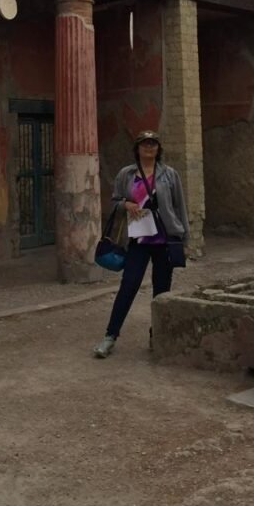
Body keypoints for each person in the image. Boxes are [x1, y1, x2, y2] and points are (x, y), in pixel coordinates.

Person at [93, 129, 189, 359]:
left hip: (164, 240)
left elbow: (179, 206)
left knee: (161, 290)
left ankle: (157, 335)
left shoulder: (169, 175)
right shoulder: (126, 174)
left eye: (153, 143)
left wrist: (184, 237)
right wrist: (125, 204)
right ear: (137, 148)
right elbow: (115, 201)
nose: (149, 147)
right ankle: (110, 336)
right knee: (128, 286)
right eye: (145, 144)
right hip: (138, 240)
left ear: (158, 148)